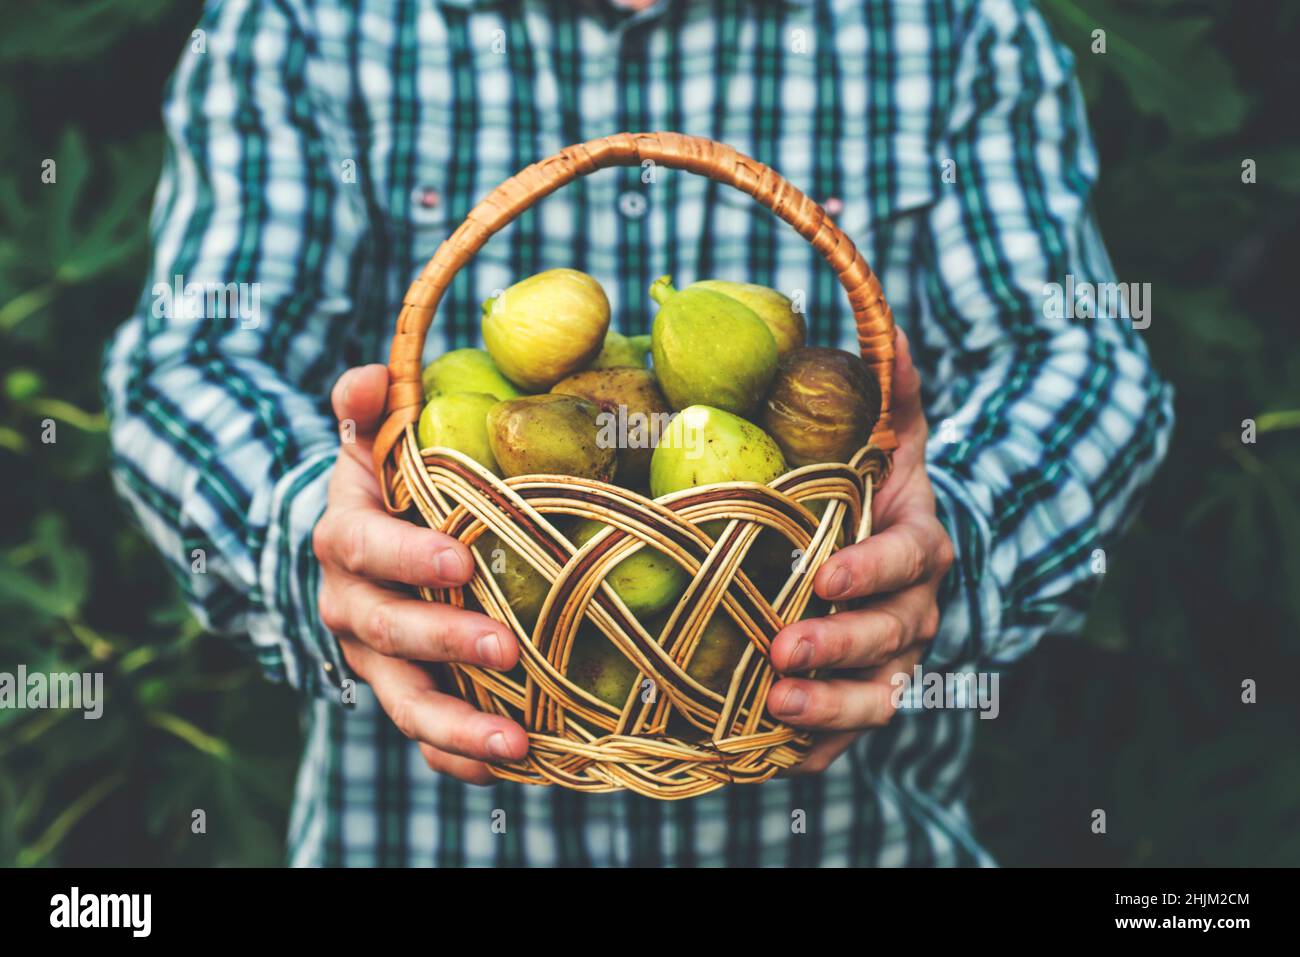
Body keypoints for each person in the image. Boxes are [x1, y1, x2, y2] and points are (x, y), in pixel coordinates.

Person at [104, 0, 1173, 866]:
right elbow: (188, 363)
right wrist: (318, 540)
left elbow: (1077, 353)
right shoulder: (306, 21)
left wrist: (956, 536)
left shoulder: (954, 24)